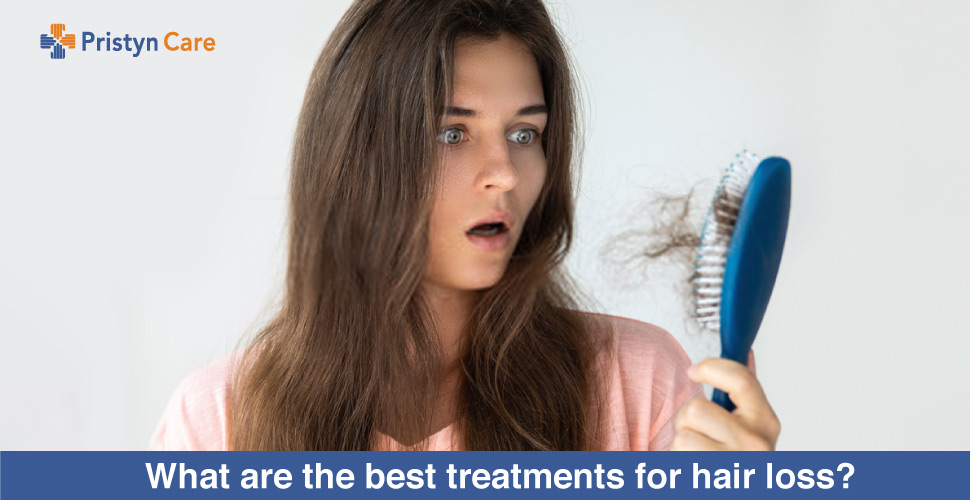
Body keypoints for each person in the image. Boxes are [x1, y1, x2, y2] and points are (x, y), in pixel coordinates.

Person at [148, 0, 779, 451]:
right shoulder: (220, 422)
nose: (504, 172)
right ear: (355, 158)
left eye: (524, 133)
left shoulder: (636, 384)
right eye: (453, 133)